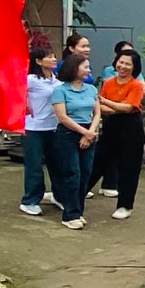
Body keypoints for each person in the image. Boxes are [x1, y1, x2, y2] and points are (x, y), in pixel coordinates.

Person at [86, 50, 145, 220]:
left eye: (128, 64)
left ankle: (125, 206)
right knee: (97, 163)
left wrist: (108, 103)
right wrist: (116, 107)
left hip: (132, 129)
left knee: (129, 168)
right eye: (121, 62)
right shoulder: (108, 83)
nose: (123, 66)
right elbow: (101, 107)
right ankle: (77, 195)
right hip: (111, 127)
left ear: (134, 67)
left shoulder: (136, 85)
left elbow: (129, 107)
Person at [49, 54, 100, 230]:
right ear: (74, 68)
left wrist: (90, 132)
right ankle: (70, 215)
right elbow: (62, 117)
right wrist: (85, 133)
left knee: (85, 174)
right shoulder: (60, 90)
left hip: (89, 131)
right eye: (85, 67)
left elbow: (97, 113)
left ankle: (78, 211)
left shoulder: (91, 89)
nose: (88, 70)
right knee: (72, 174)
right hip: (68, 134)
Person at [20, 47, 64, 217]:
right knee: (35, 165)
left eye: (54, 56)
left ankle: (59, 195)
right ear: (38, 61)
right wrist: (24, 103)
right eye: (49, 57)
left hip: (54, 127)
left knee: (57, 164)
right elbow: (14, 89)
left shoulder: (57, 81)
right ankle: (30, 200)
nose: (54, 59)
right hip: (33, 128)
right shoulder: (31, 79)